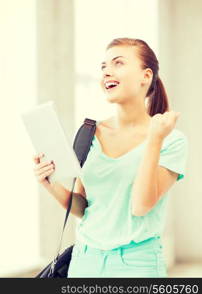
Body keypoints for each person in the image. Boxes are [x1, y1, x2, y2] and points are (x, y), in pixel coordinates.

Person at [33, 38, 188, 278]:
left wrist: (154, 140)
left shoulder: (171, 140)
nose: (107, 72)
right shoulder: (88, 133)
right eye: (103, 66)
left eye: (118, 63)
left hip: (138, 264)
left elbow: (141, 206)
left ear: (145, 76)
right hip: (85, 261)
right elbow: (84, 207)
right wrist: (50, 184)